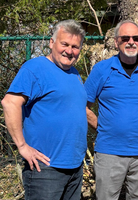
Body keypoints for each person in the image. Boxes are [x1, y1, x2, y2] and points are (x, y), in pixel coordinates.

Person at [1, 20, 87, 199]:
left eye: (75, 46)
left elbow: (76, 110)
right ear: (51, 42)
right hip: (46, 168)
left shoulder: (74, 73)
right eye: (64, 44)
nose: (69, 51)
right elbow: (10, 103)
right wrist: (22, 146)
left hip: (75, 167)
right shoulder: (35, 68)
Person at [84, 20, 138, 200]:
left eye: (136, 38)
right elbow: (83, 107)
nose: (131, 41)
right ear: (116, 42)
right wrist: (102, 126)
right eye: (125, 38)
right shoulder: (102, 70)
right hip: (109, 151)